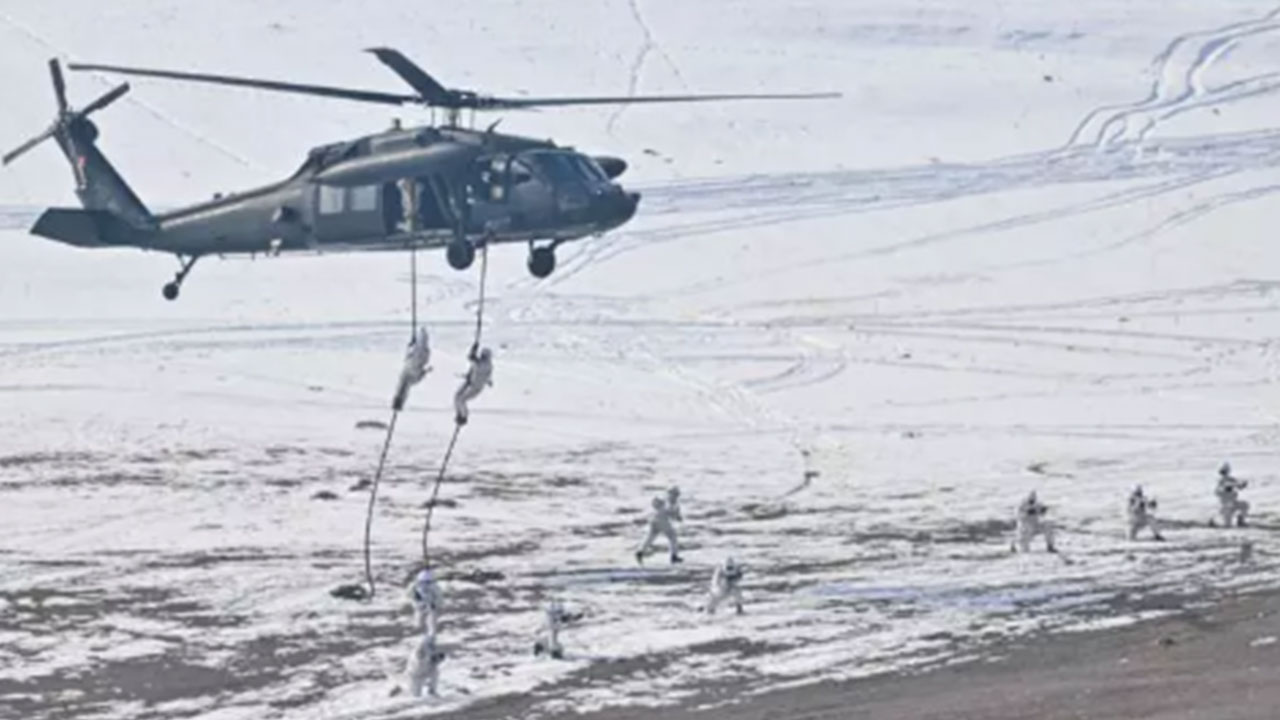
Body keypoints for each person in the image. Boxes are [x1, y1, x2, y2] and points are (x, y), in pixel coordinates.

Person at [391, 326, 431, 412]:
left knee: (403, 386)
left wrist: (411, 347)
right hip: (412, 369)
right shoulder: (426, 352)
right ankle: (398, 402)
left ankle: (398, 402)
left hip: (411, 369)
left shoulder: (423, 352)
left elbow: (410, 355)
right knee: (404, 386)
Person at [454, 343, 494, 425]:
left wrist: (473, 351)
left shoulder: (487, 365)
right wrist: (473, 350)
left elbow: (475, 363)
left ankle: (464, 416)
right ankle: (459, 413)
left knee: (462, 399)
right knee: (457, 397)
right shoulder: (480, 362)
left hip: (475, 388)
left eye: (484, 356)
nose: (482, 357)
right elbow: (472, 361)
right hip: (469, 383)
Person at [635, 496, 682, 565]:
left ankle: (640, 552)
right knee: (672, 537)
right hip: (662, 521)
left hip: (653, 521)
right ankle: (674, 556)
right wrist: (677, 515)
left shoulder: (657, 508)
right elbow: (672, 514)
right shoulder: (666, 506)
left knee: (650, 538)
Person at [405, 631, 445, 698]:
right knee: (416, 695)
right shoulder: (420, 649)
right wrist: (431, 659)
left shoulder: (431, 648)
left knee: (435, 672)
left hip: (425, 671)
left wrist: (438, 658)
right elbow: (419, 660)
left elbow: (432, 661)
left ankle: (432, 691)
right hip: (415, 674)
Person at [406, 567, 442, 635]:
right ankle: (419, 629)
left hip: (429, 604)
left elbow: (439, 597)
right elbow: (410, 595)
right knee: (421, 617)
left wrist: (435, 604)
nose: (425, 585)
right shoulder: (417, 586)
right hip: (423, 604)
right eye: (423, 582)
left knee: (429, 619)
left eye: (427, 582)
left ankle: (429, 631)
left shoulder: (432, 586)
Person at [1215, 462, 1250, 528]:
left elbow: (1239, 486)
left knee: (1245, 505)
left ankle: (1241, 520)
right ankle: (1215, 523)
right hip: (1226, 506)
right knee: (1228, 525)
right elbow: (1217, 492)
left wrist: (1243, 485)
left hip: (1234, 502)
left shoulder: (1231, 479)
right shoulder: (1220, 481)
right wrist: (1225, 489)